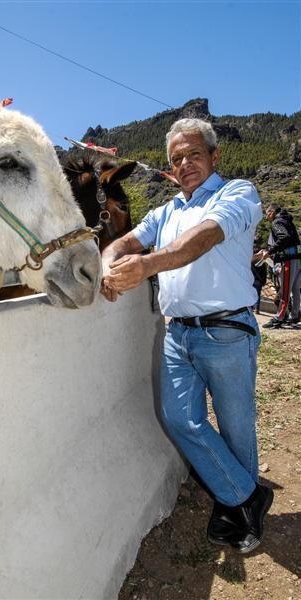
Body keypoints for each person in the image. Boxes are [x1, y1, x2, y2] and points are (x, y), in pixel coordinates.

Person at [101, 118, 273, 554]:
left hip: (227, 332)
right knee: (180, 419)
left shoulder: (238, 194)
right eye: (176, 158)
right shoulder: (166, 211)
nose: (184, 164)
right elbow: (122, 244)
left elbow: (205, 237)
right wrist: (109, 263)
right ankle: (246, 497)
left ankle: (239, 512)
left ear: (214, 156)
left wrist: (148, 265)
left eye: (193, 154)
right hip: (179, 334)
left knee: (236, 428)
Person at [261, 204, 301, 328]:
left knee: (284, 290)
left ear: (272, 212)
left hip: (287, 260)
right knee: (295, 290)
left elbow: (284, 237)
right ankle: (294, 316)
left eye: (267, 214)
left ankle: (279, 317)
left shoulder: (277, 222)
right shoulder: (287, 220)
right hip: (297, 259)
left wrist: (270, 251)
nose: (267, 217)